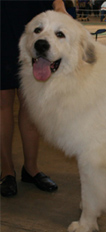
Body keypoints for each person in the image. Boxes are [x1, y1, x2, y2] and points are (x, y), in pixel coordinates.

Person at [0, 0, 67, 197]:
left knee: (30, 104)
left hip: (35, 21)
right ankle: (7, 171)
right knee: (3, 103)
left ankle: (31, 169)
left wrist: (59, 5)